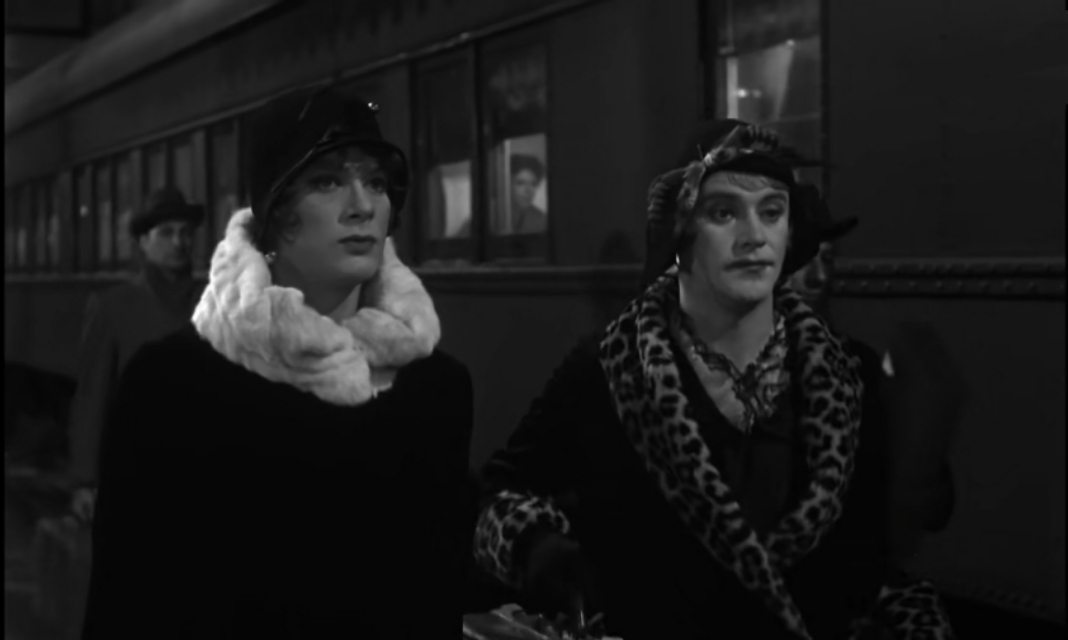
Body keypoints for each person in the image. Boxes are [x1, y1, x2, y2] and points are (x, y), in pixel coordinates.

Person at [473, 120, 954, 639]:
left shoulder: (848, 372)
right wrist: (538, 547)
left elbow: (875, 556)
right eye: (724, 212)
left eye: (772, 212)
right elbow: (500, 492)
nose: (753, 236)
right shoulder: (609, 369)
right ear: (683, 233)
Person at [81, 86, 474, 639]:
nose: (362, 205)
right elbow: (125, 603)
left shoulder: (436, 390)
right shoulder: (172, 388)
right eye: (327, 181)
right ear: (272, 211)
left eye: (376, 182)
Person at [786, 200, 963, 558]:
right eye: (801, 259)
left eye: (827, 259)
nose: (818, 277)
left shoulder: (860, 364)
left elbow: (925, 502)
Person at [66, 186, 205, 524]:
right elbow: (92, 396)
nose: (179, 242)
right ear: (143, 242)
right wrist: (85, 480)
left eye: (185, 233)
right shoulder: (114, 307)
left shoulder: (212, 303)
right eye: (166, 233)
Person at [508, 153, 547, 234]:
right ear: (507, 184)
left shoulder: (541, 219)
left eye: (533, 184)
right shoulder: (494, 215)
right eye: (520, 183)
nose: (528, 190)